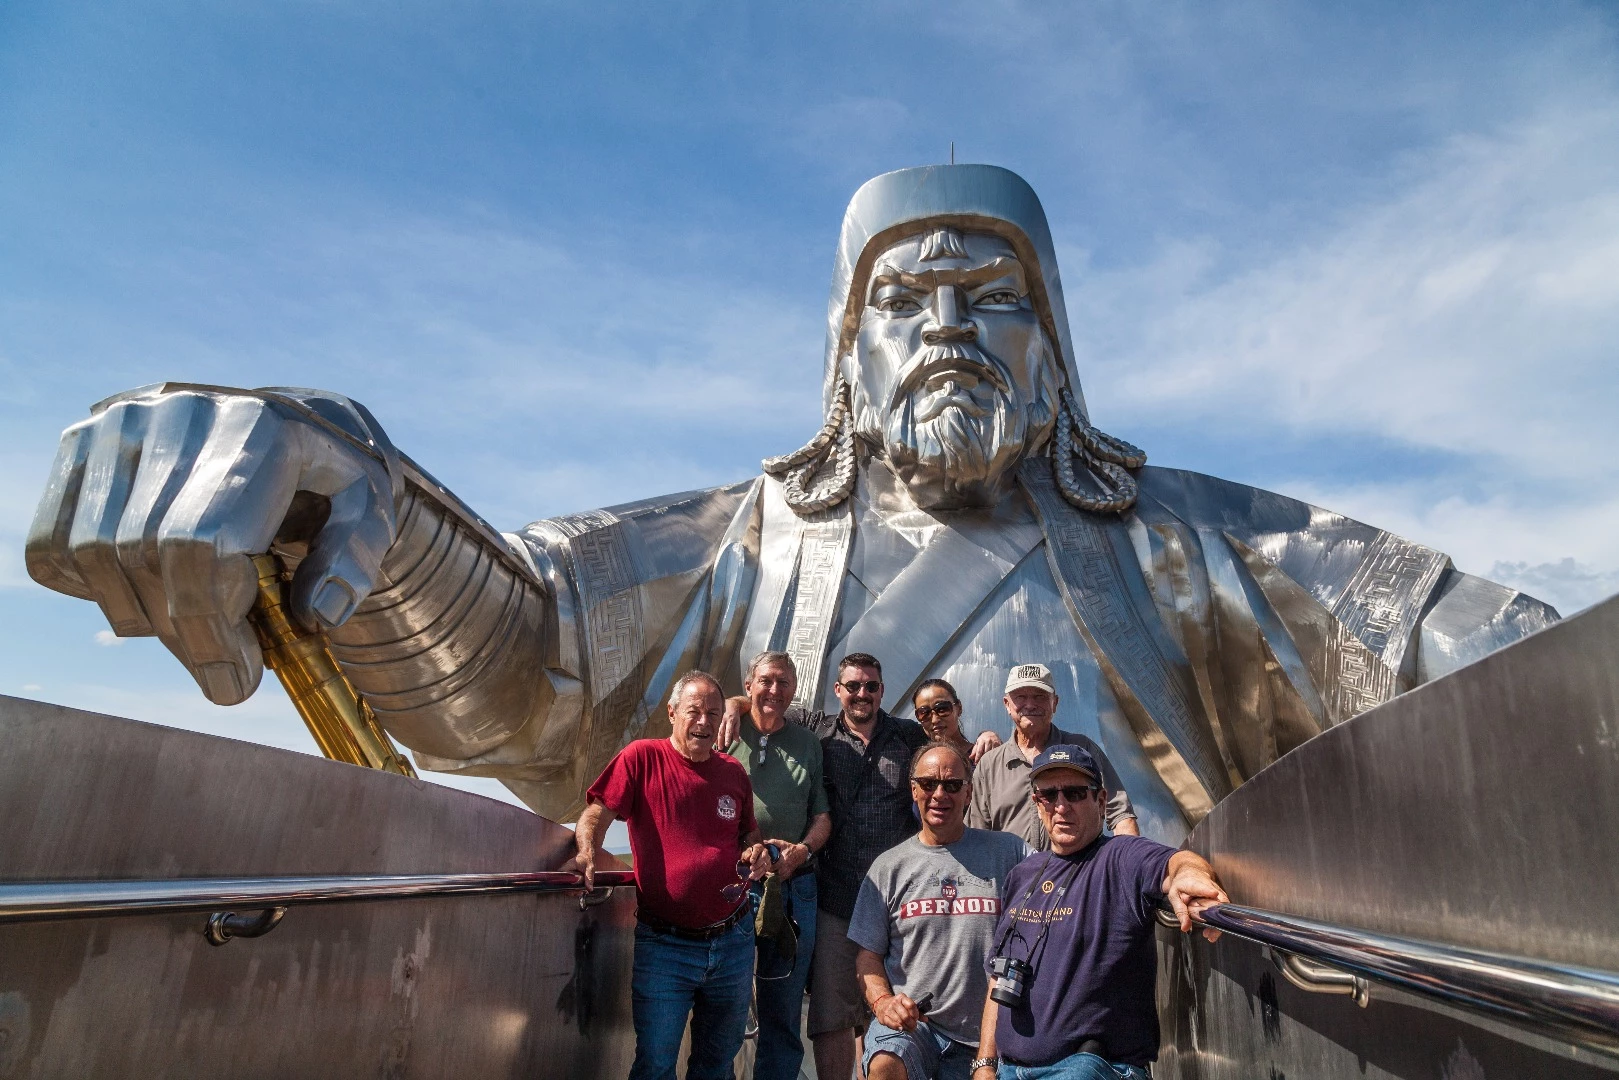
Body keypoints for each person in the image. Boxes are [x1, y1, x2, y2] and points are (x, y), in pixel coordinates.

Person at [970, 745, 1227, 1080]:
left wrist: (1192, 875)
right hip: (1009, 1071)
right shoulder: (1023, 874)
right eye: (1049, 794)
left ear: (1101, 801)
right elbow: (999, 976)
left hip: (1093, 1068)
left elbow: (1177, 861)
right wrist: (984, 1066)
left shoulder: (1120, 857)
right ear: (1037, 803)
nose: (1061, 806)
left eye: (1075, 793)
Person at [572, 670, 773, 1080]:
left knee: (716, 1066)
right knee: (655, 1065)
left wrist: (757, 851)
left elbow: (748, 835)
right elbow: (596, 814)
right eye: (693, 712)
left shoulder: (734, 772)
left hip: (733, 941)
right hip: (665, 946)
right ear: (672, 713)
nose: (703, 722)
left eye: (713, 714)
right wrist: (586, 850)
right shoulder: (640, 758)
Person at [848, 742, 1028, 1080]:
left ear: (969, 793)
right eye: (929, 783)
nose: (939, 794)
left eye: (952, 785)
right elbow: (867, 957)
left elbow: (1065, 867)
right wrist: (883, 1002)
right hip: (916, 1029)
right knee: (884, 1065)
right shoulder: (888, 867)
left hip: (991, 1033)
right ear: (913, 789)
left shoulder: (1010, 852)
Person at [726, 650, 832, 1080]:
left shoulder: (807, 743)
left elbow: (822, 817)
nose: (774, 690)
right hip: (732, 886)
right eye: (766, 681)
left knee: (783, 1009)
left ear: (793, 692)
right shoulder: (724, 728)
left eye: (784, 683)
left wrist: (801, 852)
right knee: (725, 1004)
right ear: (748, 685)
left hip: (793, 888)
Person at [969, 664, 1139, 847]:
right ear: (1007, 705)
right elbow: (976, 835)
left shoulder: (1083, 750)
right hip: (1011, 874)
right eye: (1020, 697)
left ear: (1055, 703)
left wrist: (1128, 864)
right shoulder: (989, 765)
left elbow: (1121, 817)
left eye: (1039, 696)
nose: (1030, 705)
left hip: (1077, 872)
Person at [912, 679, 990, 769]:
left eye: (942, 709)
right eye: (924, 713)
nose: (934, 720)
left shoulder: (982, 757)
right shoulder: (917, 763)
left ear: (959, 708)